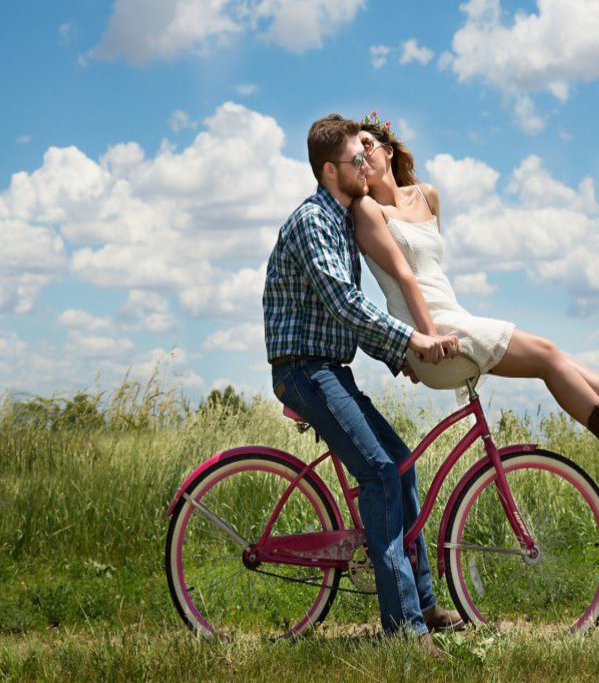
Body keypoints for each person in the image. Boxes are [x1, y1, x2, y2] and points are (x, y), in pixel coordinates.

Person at [351, 112, 599, 476]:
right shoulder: (367, 209)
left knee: (553, 357)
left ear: (389, 150)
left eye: (368, 146)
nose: (362, 157)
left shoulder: (428, 196)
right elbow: (406, 278)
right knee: (547, 356)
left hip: (452, 320)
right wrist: (425, 339)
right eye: (355, 155)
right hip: (431, 334)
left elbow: (432, 273)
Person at [262, 114, 464, 652]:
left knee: (401, 463)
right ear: (331, 170)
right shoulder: (313, 221)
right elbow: (345, 304)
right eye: (357, 158)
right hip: (304, 370)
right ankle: (405, 630)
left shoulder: (341, 223)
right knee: (378, 474)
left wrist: (400, 356)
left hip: (330, 368)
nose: (365, 165)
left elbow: (348, 322)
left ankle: (423, 603)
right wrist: (410, 339)